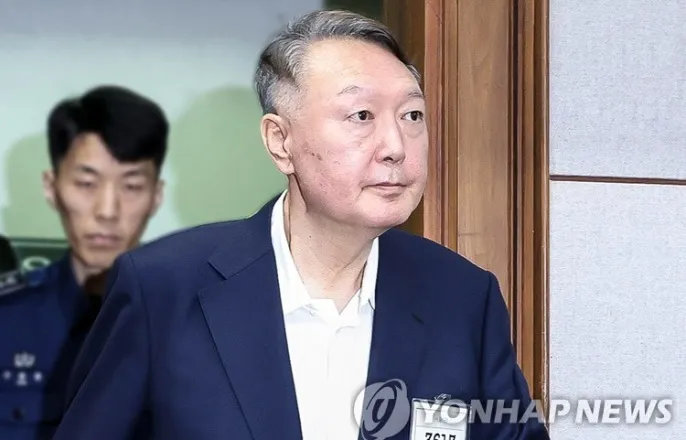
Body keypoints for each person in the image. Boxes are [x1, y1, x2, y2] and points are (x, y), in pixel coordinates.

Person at [52, 10, 549, 440]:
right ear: (280, 142)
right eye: (361, 115)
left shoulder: (462, 297)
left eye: (412, 115)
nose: (396, 146)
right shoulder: (162, 289)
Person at [0, 85, 168, 440]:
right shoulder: (6, 317)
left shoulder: (193, 326)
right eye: (86, 183)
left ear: (156, 196)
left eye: (131, 186)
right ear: (52, 187)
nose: (107, 211)